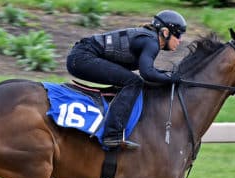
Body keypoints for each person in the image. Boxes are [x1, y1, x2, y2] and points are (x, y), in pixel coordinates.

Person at [66, 9, 187, 150]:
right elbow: (147, 73)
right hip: (82, 57)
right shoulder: (151, 42)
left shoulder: (149, 39)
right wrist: (171, 78)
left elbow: (150, 71)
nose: (180, 40)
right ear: (165, 32)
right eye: (178, 35)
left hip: (80, 56)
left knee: (129, 80)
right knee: (133, 82)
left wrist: (168, 76)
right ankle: (112, 135)